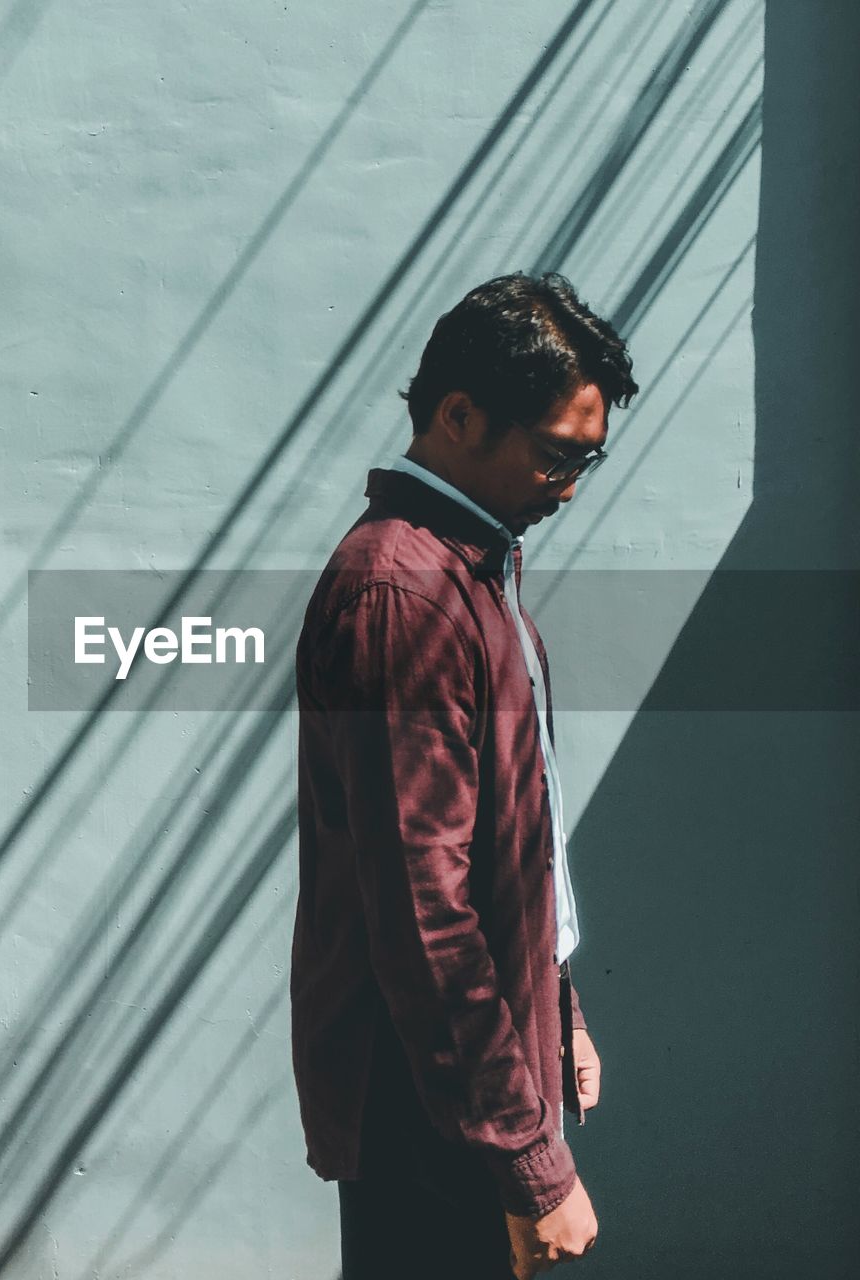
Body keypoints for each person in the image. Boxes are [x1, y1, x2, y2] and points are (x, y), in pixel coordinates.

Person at [290, 273, 638, 1278]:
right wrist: (531, 1160)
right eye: (553, 455)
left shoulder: (472, 575)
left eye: (586, 460)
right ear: (456, 415)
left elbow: (518, 846)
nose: (568, 486)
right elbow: (424, 911)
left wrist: (555, 1005)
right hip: (427, 1112)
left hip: (461, 1090)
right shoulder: (406, 595)